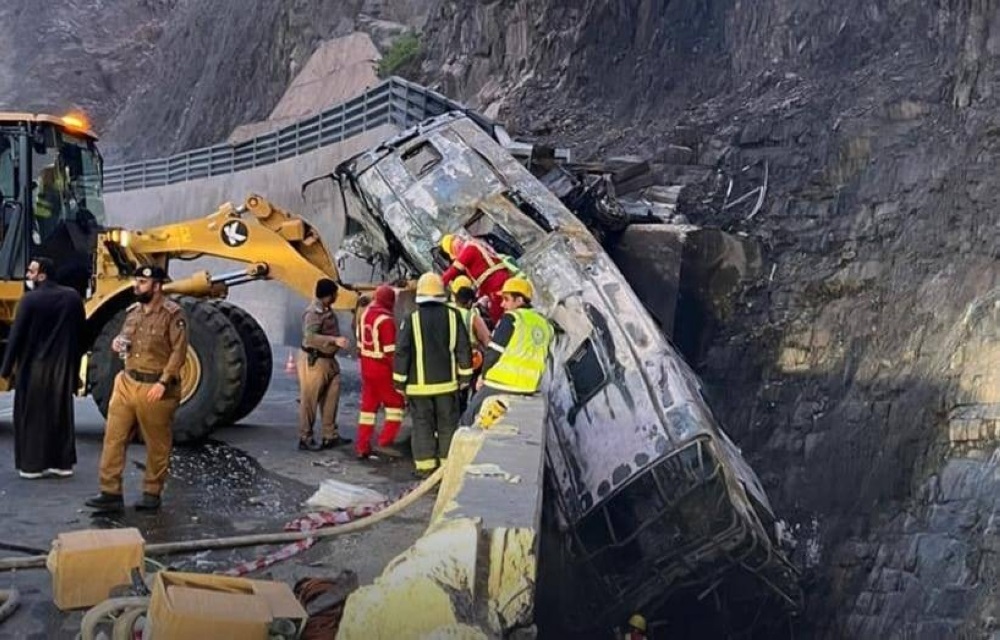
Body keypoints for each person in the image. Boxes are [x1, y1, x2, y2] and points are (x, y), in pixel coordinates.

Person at [85, 265, 187, 512]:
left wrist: (164, 382)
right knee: (113, 438)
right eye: (136, 281)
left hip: (154, 386)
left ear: (157, 286)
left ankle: (152, 492)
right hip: (127, 381)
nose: (136, 286)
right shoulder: (133, 312)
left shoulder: (173, 314)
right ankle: (110, 492)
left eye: (142, 282)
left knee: (157, 443)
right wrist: (117, 343)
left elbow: (179, 351)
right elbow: (122, 339)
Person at [0, 257, 85, 479]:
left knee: (31, 416)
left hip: (33, 367)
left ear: (42, 275)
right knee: (60, 413)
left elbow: (16, 337)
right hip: (63, 367)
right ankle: (62, 463)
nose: (27, 275)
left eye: (31, 271)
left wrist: (6, 369)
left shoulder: (30, 300)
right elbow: (82, 334)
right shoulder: (72, 298)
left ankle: (32, 465)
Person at [393, 272, 473, 477]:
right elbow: (464, 348)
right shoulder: (454, 317)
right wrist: (465, 377)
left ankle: (426, 468)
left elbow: (402, 351)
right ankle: (447, 470)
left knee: (422, 427)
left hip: (419, 388)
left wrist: (399, 382)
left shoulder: (412, 319)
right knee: (447, 426)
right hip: (447, 386)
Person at [461, 277, 553, 426]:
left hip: (500, 383)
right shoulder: (545, 325)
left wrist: (483, 377)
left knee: (468, 420)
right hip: (528, 388)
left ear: (519, 300)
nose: (502, 304)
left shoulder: (513, 318)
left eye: (506, 299)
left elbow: (494, 351)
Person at [298, 278, 352, 451]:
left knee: (331, 399)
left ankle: (330, 435)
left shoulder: (327, 310)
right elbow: (310, 337)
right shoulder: (313, 313)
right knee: (310, 400)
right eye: (335, 293)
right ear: (328, 296)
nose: (337, 296)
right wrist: (334, 340)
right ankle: (305, 437)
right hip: (315, 361)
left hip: (330, 361)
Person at [355, 284, 405, 461]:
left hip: (366, 368)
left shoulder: (365, 314)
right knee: (395, 406)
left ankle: (362, 446)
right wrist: (400, 376)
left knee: (368, 409)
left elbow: (360, 346)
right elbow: (391, 353)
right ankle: (385, 442)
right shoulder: (386, 321)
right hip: (382, 370)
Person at [439, 234, 515, 325]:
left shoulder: (469, 249)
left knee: (499, 318)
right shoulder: (474, 245)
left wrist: (435, 284)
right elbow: (481, 280)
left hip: (497, 285)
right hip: (499, 283)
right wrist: (480, 298)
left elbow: (452, 272)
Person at [448, 276, 491, 414]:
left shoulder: (444, 311)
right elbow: (487, 340)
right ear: (470, 301)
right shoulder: (471, 316)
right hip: (470, 361)